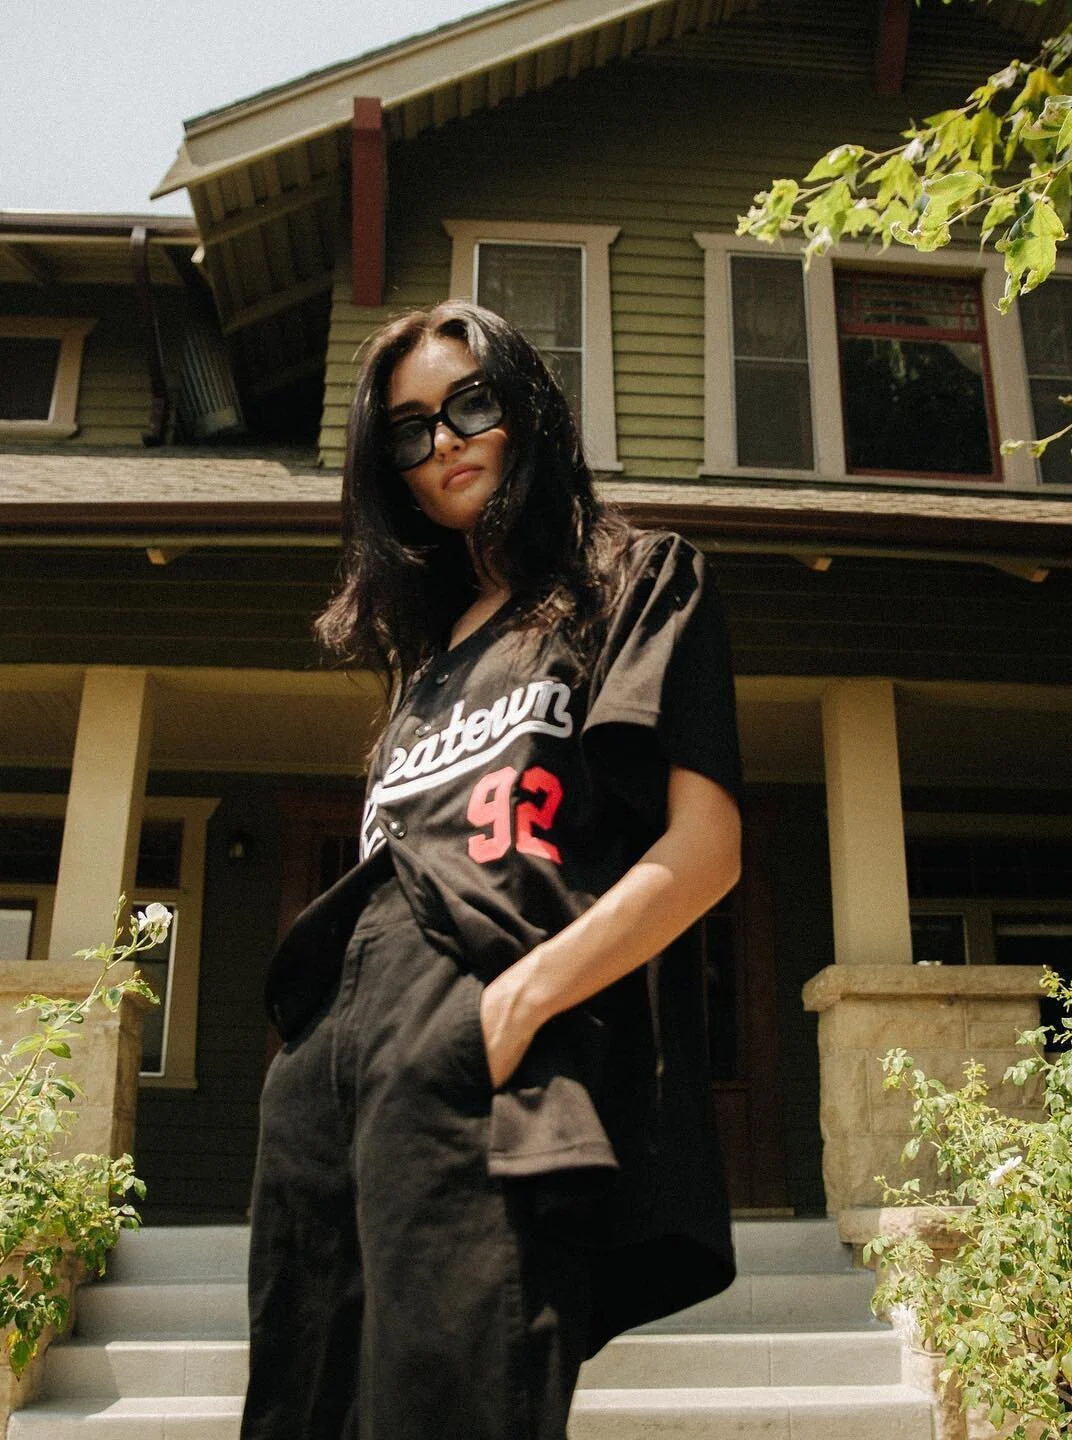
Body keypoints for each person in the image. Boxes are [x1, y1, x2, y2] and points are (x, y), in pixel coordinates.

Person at [241, 301, 744, 1440]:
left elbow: (705, 851)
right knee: (305, 1410)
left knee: (452, 1403)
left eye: (470, 404)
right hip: (328, 1067)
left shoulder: (636, 580)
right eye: (409, 430)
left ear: (527, 410)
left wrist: (515, 1004)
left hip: (479, 1033)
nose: (445, 441)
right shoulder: (425, 664)